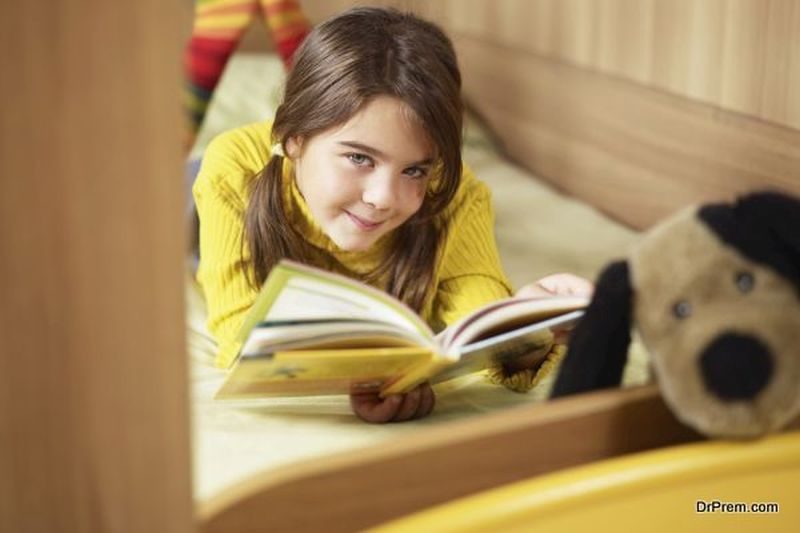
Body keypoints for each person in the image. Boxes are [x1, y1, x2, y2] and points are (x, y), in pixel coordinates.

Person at [193, 7, 592, 423]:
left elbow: (484, 328)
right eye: (359, 158)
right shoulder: (234, 169)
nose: (384, 197)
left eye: (414, 168)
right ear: (293, 139)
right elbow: (239, 339)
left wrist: (528, 325)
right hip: (217, 197)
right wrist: (364, 370)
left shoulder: (456, 194)